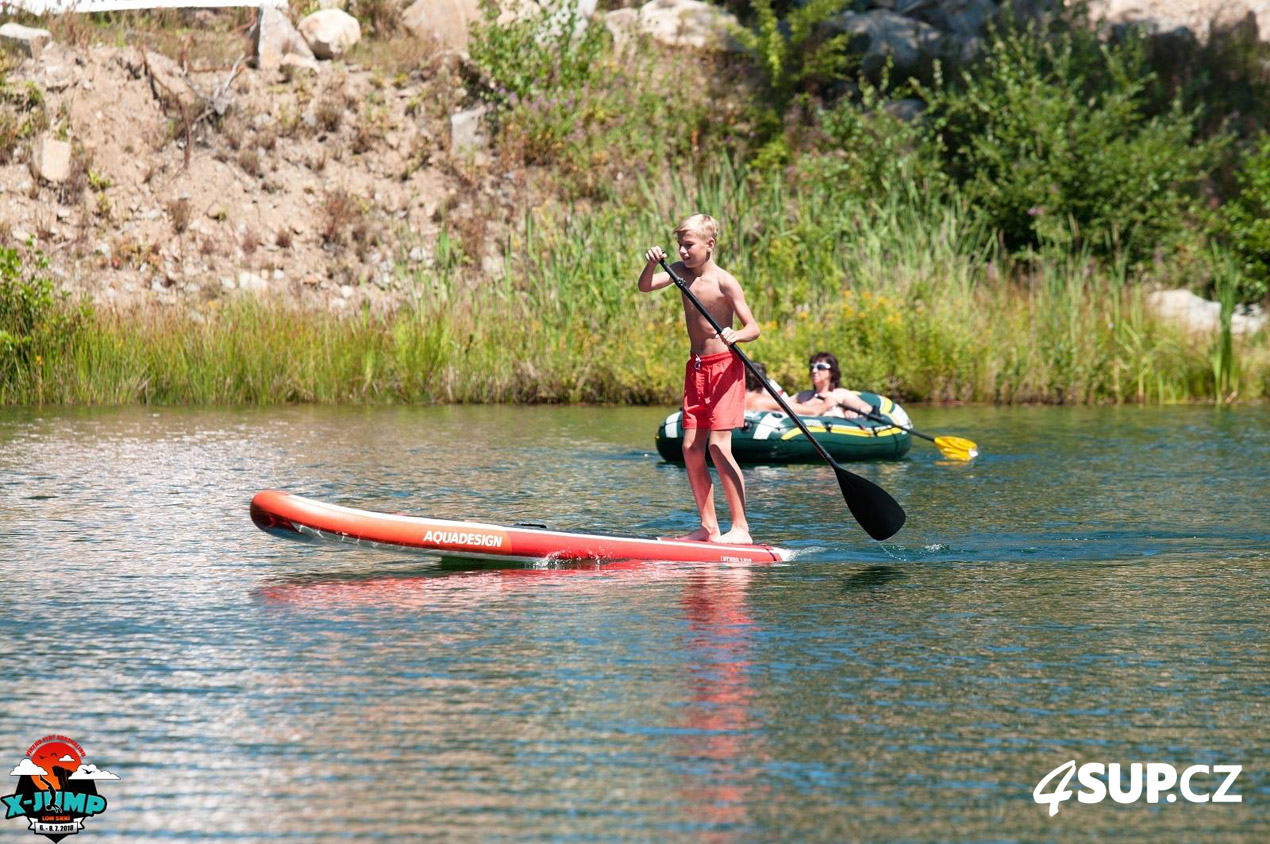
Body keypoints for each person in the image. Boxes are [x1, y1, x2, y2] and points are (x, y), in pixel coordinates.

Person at [638, 213, 759, 545]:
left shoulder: (724, 282)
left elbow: (753, 327)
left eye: (688, 244)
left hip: (724, 368)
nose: (682, 251)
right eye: (679, 244)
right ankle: (708, 528)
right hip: (696, 369)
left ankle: (741, 529)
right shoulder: (678, 273)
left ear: (710, 244)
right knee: (691, 449)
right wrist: (651, 264)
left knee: (719, 447)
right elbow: (645, 286)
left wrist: (739, 335)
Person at [792, 352, 875, 419]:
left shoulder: (840, 394)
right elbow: (782, 404)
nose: (814, 371)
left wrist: (854, 412)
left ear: (832, 372)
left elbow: (866, 408)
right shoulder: (803, 395)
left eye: (820, 367)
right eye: (812, 367)